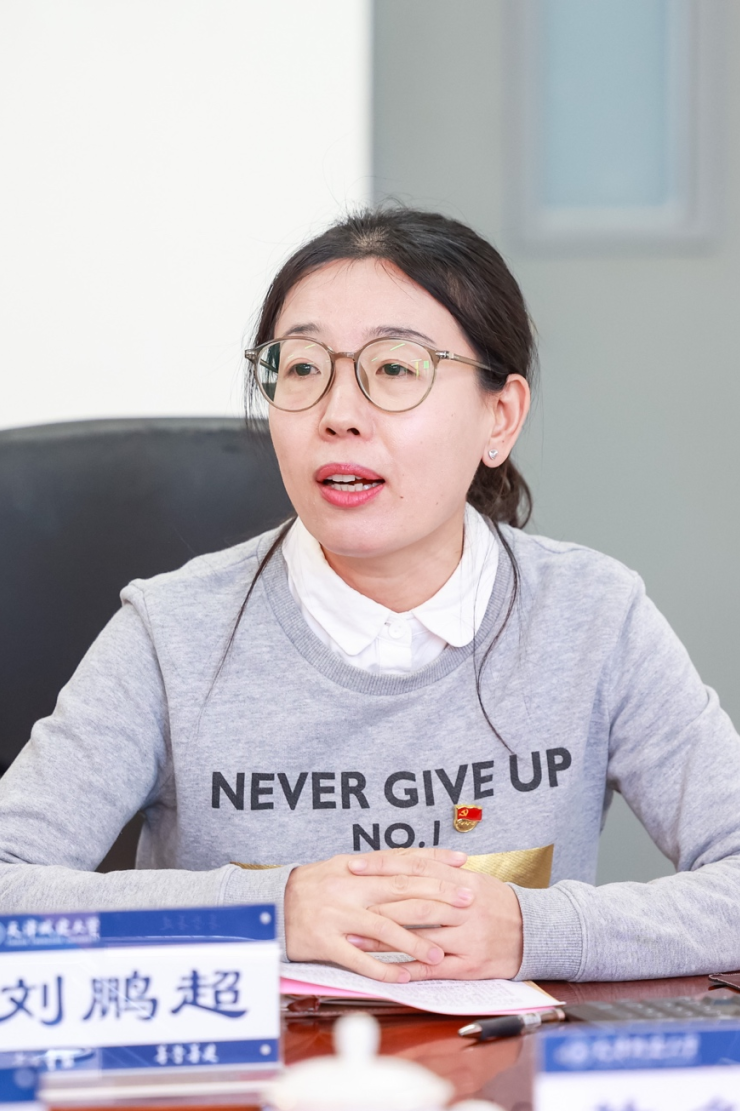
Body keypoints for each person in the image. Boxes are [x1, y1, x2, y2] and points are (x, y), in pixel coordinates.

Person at [2, 207, 740, 986]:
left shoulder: (593, 618)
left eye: (394, 368)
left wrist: (534, 930)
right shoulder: (171, 633)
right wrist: (274, 911)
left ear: (500, 416)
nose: (338, 416)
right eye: (302, 368)